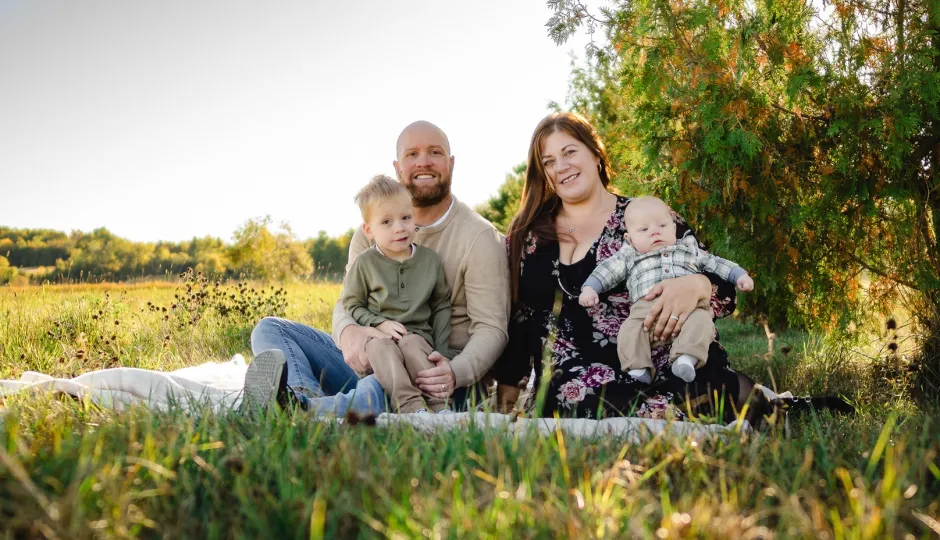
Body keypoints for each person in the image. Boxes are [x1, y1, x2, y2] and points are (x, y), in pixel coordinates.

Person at [493, 111, 760, 420]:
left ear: (595, 154)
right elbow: (522, 319)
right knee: (583, 399)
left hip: (663, 362)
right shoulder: (529, 238)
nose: (561, 167)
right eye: (549, 161)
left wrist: (697, 285)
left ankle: (716, 396)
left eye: (569, 152)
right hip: (576, 383)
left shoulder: (644, 217)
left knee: (706, 392)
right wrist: (508, 391)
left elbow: (723, 286)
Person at [245, 121, 510, 415]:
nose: (423, 161)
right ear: (398, 167)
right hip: (375, 359)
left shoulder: (479, 237)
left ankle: (307, 411)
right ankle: (302, 398)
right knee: (270, 330)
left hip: (438, 378)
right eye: (412, 154)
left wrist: (452, 371)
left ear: (451, 163)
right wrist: (348, 333)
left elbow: (492, 329)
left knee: (382, 386)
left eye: (435, 152)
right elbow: (347, 301)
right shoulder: (371, 235)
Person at [578, 196, 754, 384]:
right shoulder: (629, 255)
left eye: (662, 226)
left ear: (673, 228)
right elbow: (607, 270)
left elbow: (716, 263)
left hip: (689, 309)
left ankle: (686, 358)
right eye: (644, 229)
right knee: (629, 331)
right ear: (629, 238)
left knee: (702, 321)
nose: (654, 232)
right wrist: (590, 288)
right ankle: (638, 368)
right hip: (645, 312)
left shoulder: (688, 248)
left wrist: (739, 275)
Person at [341, 174, 456, 414]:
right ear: (368, 230)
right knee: (379, 348)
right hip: (380, 339)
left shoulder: (429, 261)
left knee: (412, 344)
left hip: (418, 338)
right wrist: (378, 323)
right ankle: (411, 408)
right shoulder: (365, 263)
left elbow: (441, 306)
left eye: (405, 218)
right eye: (386, 222)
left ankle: (439, 407)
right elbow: (353, 303)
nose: (399, 228)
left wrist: (443, 352)